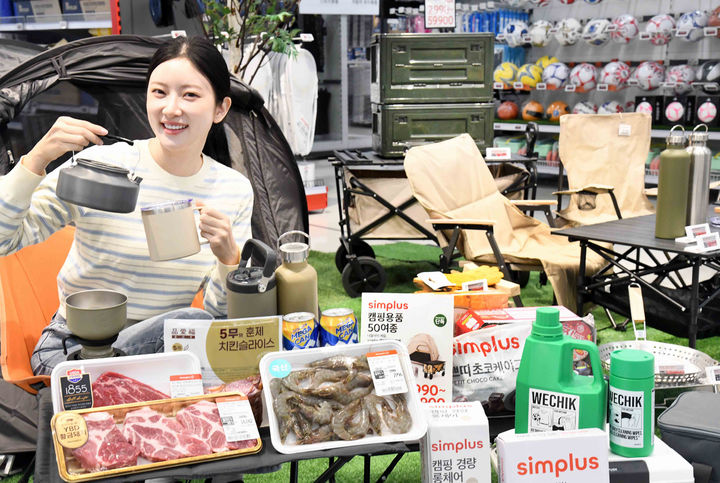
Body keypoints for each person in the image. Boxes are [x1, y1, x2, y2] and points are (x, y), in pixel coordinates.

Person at [0, 36, 253, 375]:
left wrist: (228, 259)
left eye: (190, 95)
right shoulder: (102, 166)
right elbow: (3, 240)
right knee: (192, 325)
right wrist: (35, 160)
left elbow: (221, 315)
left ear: (220, 108)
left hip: (165, 350)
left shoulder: (233, 190)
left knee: (198, 327)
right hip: (75, 351)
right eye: (159, 92)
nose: (171, 108)